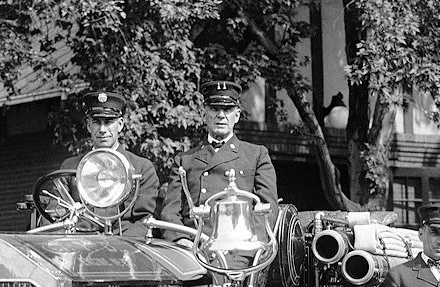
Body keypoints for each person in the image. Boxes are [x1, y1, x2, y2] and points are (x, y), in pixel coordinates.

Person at [157, 80, 278, 231]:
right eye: (214, 109)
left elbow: (267, 209)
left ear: (237, 115)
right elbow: (170, 212)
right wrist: (181, 239)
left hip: (239, 247)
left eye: (227, 109)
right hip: (192, 247)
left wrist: (252, 246)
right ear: (204, 114)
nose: (221, 115)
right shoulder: (184, 160)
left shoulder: (256, 155)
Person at [61, 90, 159, 224]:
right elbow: (55, 214)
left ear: (120, 125)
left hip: (124, 242)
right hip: (80, 240)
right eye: (96, 122)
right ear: (89, 125)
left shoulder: (142, 168)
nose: (102, 129)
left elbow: (143, 221)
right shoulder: (70, 167)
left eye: (108, 122)